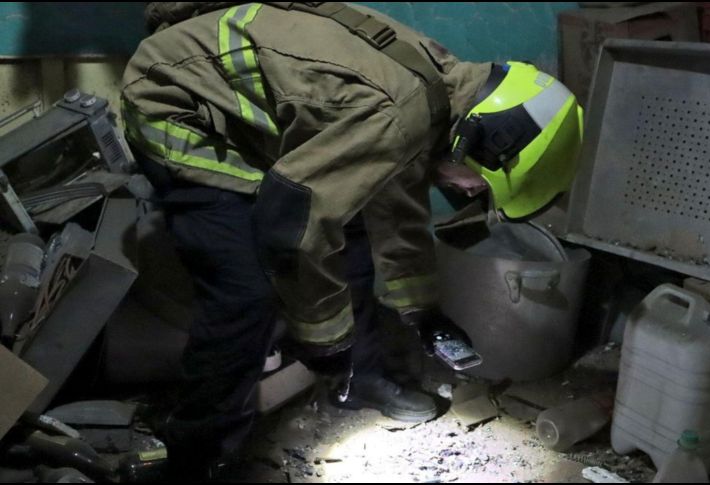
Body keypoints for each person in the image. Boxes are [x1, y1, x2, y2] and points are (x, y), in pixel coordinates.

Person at [121, 1, 582, 476]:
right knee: (246, 291)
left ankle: (359, 378)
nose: (467, 191)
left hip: (237, 104)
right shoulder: (397, 114)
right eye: (478, 184)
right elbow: (291, 221)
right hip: (174, 105)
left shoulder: (441, 92)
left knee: (351, 221)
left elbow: (395, 206)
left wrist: (422, 313)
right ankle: (198, 454)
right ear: (478, 140)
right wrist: (324, 335)